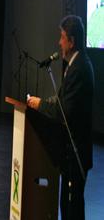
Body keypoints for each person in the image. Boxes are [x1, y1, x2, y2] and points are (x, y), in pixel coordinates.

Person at [27, 15, 94, 220]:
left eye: (62, 37)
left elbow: (66, 110)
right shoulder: (74, 65)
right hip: (69, 153)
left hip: (76, 151)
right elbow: (62, 100)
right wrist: (47, 102)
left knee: (73, 206)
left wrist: (41, 104)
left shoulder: (80, 68)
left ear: (71, 41)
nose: (59, 42)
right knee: (67, 204)